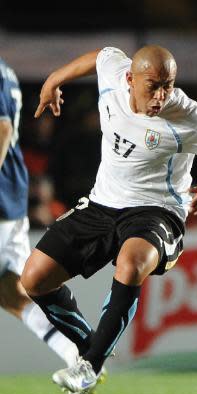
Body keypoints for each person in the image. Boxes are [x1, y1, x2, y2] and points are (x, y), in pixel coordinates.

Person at [20, 45, 197, 394]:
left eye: (169, 85)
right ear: (130, 79)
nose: (162, 95)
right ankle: (93, 349)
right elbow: (100, 55)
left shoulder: (188, 114)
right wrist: (54, 79)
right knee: (33, 279)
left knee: (131, 264)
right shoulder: (115, 76)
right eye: (153, 86)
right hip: (101, 204)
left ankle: (89, 366)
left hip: (157, 211)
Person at [0, 58, 78, 368]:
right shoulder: (5, 70)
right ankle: (77, 353)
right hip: (10, 196)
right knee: (10, 292)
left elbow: (3, 129)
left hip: (3, 196)